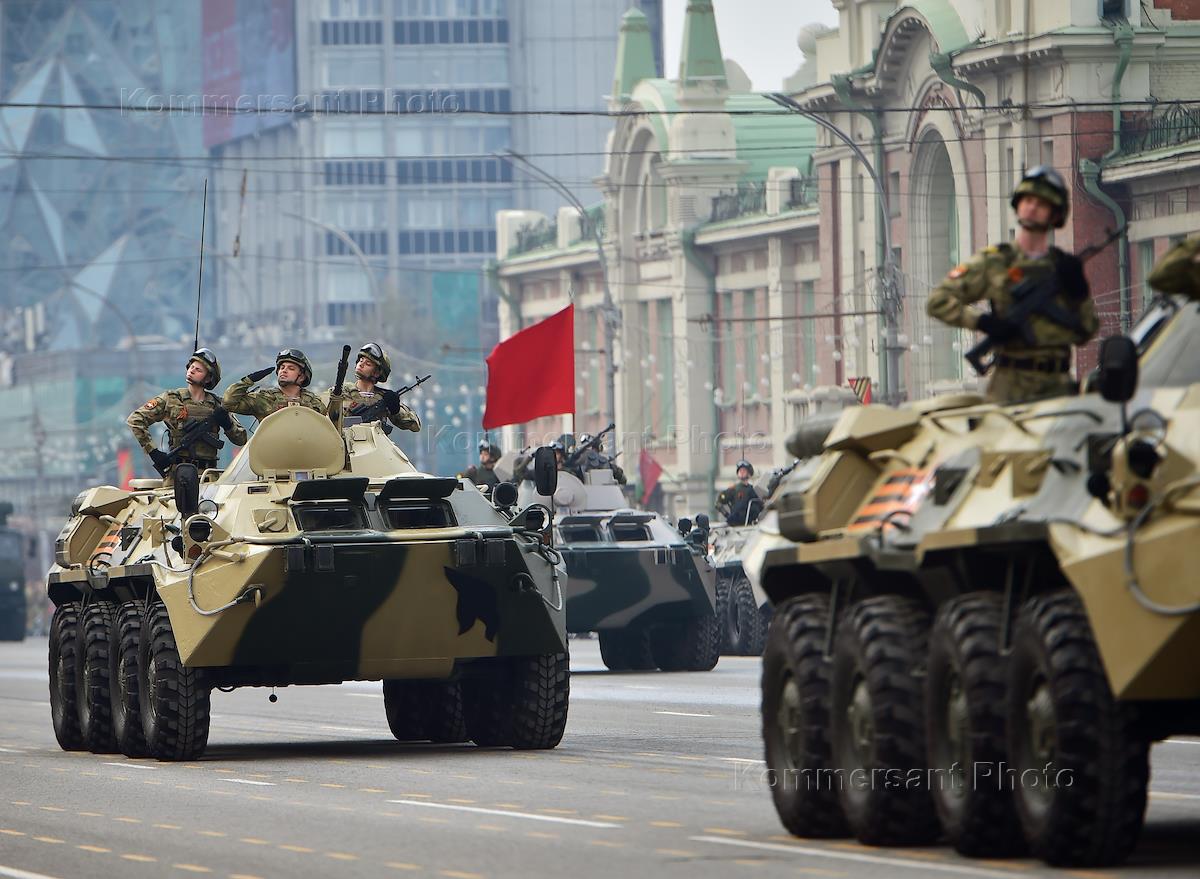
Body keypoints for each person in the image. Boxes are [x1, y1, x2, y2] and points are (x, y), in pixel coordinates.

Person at [927, 166, 1098, 404]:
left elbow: (1087, 331)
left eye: (1042, 203)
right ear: (1018, 204)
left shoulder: (1063, 268)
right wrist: (982, 322)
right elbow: (938, 301)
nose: (1032, 207)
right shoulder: (995, 261)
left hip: (1057, 385)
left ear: (1055, 213)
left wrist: (1079, 291)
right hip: (1010, 385)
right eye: (1028, 200)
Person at [127, 348, 247, 482]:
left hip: (208, 476)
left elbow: (241, 439)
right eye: (191, 367)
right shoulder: (171, 399)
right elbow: (135, 420)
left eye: (198, 370)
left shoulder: (218, 405)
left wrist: (227, 424)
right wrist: (153, 452)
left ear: (209, 378)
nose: (192, 370)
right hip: (178, 476)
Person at [329, 342, 421, 433]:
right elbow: (324, 417)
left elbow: (415, 426)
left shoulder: (383, 398)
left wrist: (395, 410)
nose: (361, 364)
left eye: (368, 364)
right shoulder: (341, 392)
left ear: (377, 373)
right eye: (361, 360)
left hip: (375, 441)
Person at [223, 347, 326, 422]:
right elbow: (228, 403)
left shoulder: (314, 403)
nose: (284, 370)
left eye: (291, 368)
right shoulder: (265, 399)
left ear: (302, 377)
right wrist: (248, 380)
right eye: (282, 367)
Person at [717, 460, 761, 526]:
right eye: (740, 471)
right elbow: (718, 503)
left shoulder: (753, 490)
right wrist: (727, 515)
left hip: (749, 525)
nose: (741, 472)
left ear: (749, 473)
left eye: (744, 471)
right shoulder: (733, 489)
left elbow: (759, 506)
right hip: (734, 524)